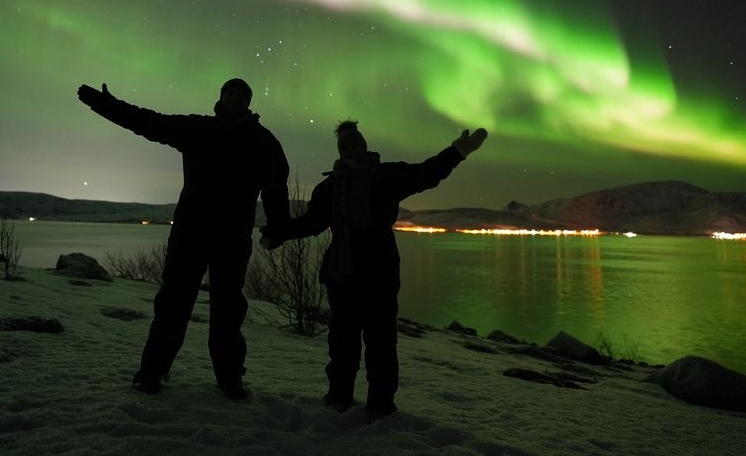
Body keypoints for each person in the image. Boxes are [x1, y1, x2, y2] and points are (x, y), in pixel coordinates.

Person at [77, 78, 290, 399]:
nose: (234, 98)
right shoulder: (197, 128)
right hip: (191, 232)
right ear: (220, 98)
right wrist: (106, 105)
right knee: (174, 301)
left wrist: (278, 227)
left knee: (229, 307)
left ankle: (230, 378)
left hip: (232, 236)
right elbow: (150, 122)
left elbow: (276, 186)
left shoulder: (263, 142)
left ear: (249, 102)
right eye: (229, 92)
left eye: (241, 94)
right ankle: (152, 372)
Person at [260, 120, 487, 419]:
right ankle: (338, 397)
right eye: (346, 146)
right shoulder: (328, 188)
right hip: (342, 276)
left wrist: (457, 151)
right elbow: (311, 224)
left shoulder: (386, 176)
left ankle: (381, 405)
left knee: (381, 342)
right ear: (340, 152)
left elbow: (425, 174)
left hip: (379, 272)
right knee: (342, 342)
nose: (352, 149)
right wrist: (277, 234)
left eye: (356, 143)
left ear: (364, 145)